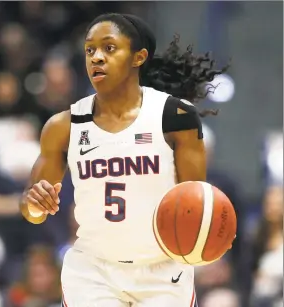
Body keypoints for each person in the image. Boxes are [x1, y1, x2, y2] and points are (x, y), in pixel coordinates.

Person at [19, 13, 228, 307]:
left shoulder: (176, 117)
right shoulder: (63, 126)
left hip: (162, 267)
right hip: (93, 270)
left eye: (109, 48)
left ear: (138, 57)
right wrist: (34, 203)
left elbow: (196, 201)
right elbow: (32, 212)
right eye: (90, 50)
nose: (97, 58)